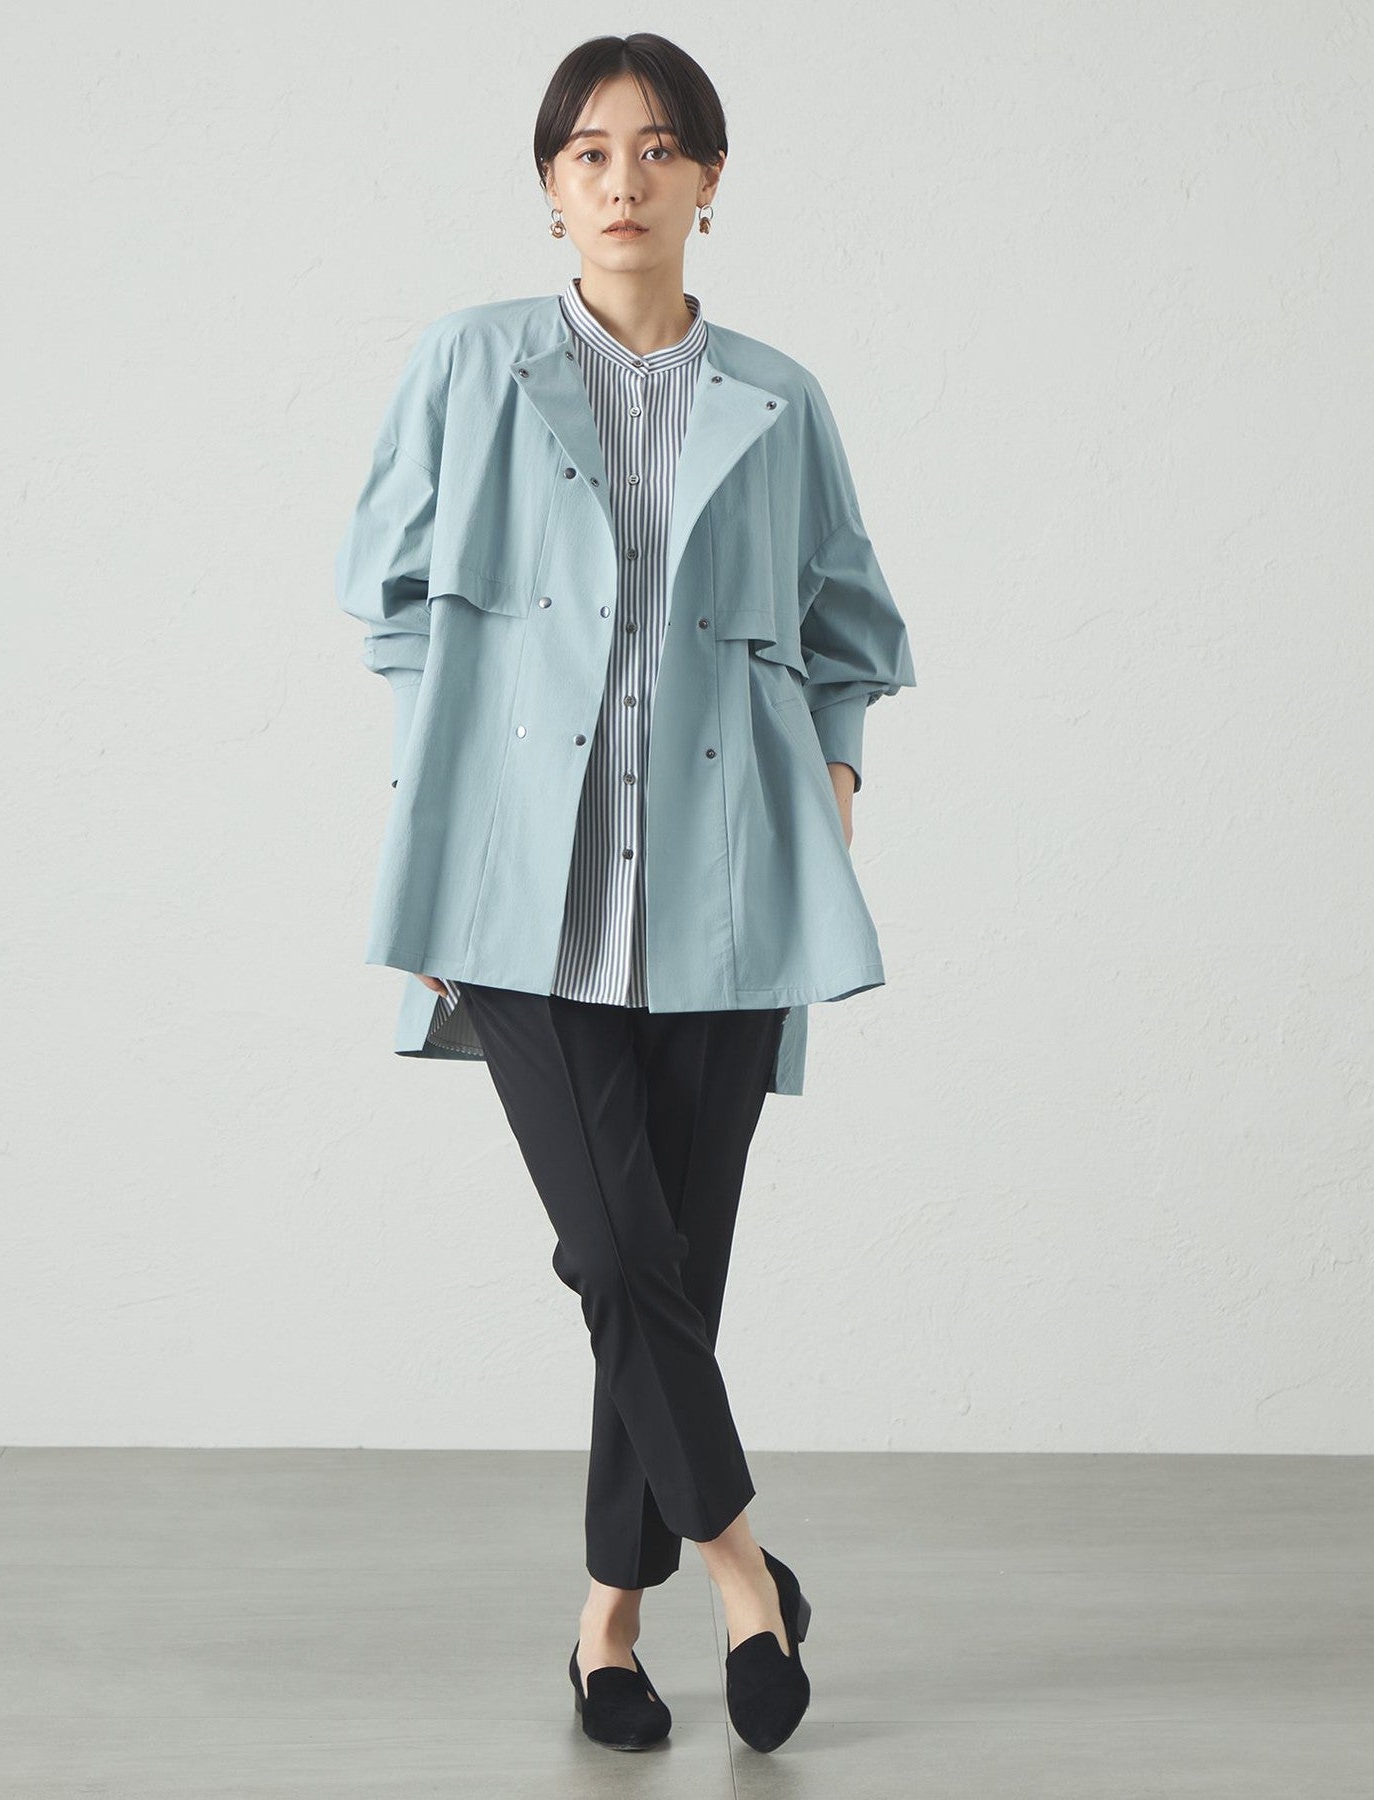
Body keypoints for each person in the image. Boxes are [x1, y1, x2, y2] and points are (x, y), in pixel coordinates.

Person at [335, 32, 915, 1756]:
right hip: (520, 895)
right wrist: (450, 791)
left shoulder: (779, 397)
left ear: (711, 182)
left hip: (729, 897)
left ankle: (605, 1625)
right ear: (549, 186)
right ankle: (747, 1577)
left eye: (660, 150)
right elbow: (387, 591)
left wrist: (837, 779)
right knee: (610, 1247)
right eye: (590, 152)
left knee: (669, 1268)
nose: (624, 180)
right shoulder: (474, 364)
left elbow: (850, 625)